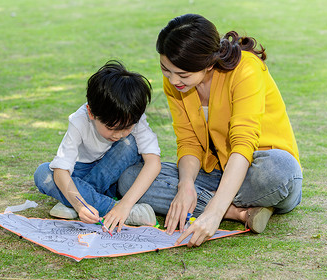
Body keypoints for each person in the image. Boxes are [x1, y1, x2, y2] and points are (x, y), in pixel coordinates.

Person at [118, 14, 302, 247]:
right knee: (130, 178)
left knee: (281, 169)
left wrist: (213, 213)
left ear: (209, 62)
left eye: (183, 75)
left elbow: (243, 144)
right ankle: (239, 213)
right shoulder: (176, 81)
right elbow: (188, 142)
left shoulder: (247, 69)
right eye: (166, 71)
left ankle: (217, 206)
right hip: (215, 173)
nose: (174, 81)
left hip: (259, 169)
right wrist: (185, 186)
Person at [34, 60, 161, 233]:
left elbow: (153, 162)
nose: (119, 134)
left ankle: (72, 200)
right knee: (44, 174)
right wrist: (81, 206)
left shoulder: (131, 114)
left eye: (127, 127)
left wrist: (125, 203)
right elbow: (61, 170)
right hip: (81, 171)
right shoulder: (79, 120)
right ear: (91, 113)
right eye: (111, 128)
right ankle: (113, 208)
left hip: (113, 177)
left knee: (128, 143)